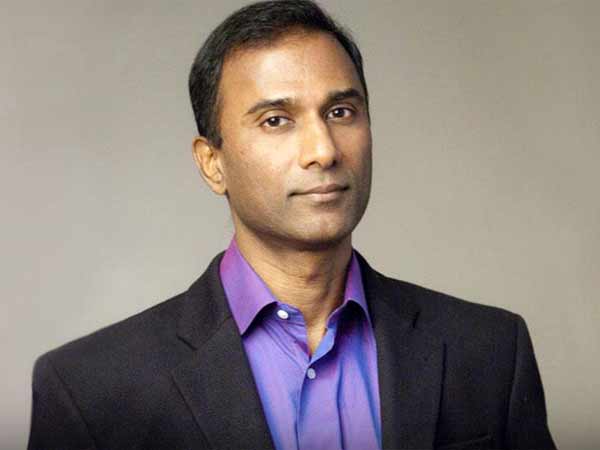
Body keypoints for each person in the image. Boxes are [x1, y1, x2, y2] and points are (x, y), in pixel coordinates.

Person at [27, 1, 556, 449]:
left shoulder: (489, 353)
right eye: (276, 120)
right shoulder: (91, 392)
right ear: (212, 163)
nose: (323, 150)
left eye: (341, 112)